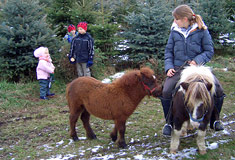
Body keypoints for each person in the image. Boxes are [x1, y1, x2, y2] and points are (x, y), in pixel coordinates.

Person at [160, 4, 225, 136]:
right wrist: (169, 67)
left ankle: (215, 120)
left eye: (176, 19)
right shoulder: (174, 31)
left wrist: (197, 60)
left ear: (184, 19)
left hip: (198, 68)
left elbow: (209, 50)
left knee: (218, 90)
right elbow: (168, 52)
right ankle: (169, 122)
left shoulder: (202, 30)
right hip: (178, 68)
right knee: (166, 91)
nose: (174, 22)